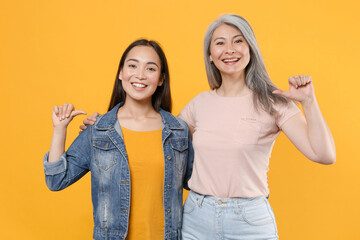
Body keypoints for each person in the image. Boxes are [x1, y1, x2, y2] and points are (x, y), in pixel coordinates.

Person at [81, 15, 336, 240]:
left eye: (238, 41)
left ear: (250, 48)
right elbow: (152, 139)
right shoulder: (199, 105)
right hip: (197, 217)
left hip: (250, 220)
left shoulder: (274, 103)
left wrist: (309, 103)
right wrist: (106, 127)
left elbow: (324, 155)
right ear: (211, 56)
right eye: (220, 43)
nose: (229, 50)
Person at [43, 39, 194, 240]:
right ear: (121, 73)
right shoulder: (99, 130)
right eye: (132, 65)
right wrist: (59, 130)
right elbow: (56, 181)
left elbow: (198, 183)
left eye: (150, 68)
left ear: (161, 79)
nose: (140, 74)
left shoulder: (178, 131)